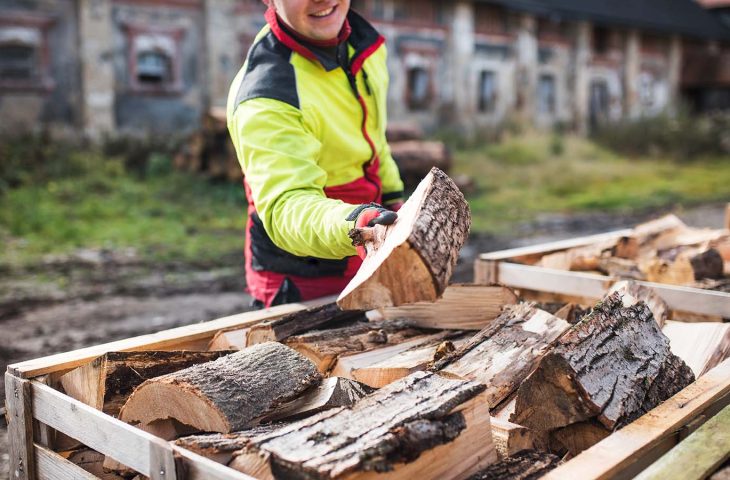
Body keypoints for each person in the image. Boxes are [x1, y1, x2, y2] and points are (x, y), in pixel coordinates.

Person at [226, 0, 405, 308]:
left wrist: (393, 199)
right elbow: (287, 206)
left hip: (365, 257)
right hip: (300, 283)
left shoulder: (365, 44)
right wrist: (357, 224)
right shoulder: (266, 94)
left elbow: (375, 140)